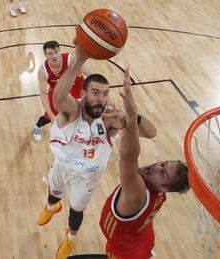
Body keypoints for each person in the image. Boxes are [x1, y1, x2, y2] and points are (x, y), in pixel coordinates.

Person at [36, 40, 157, 259]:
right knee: (53, 195)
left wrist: (133, 114)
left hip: (86, 179)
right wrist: (78, 61)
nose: (101, 98)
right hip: (61, 167)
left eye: (105, 93)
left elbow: (151, 133)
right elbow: (58, 98)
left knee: (76, 211)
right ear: (83, 94)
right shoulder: (72, 110)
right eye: (95, 93)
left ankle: (70, 240)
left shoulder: (110, 121)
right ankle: (51, 207)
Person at [99, 68, 190, 259]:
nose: (157, 166)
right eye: (163, 163)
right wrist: (134, 118)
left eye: (162, 173)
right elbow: (152, 132)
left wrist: (132, 120)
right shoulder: (158, 190)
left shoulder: (137, 193)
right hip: (141, 239)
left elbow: (129, 157)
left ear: (164, 188)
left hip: (126, 254)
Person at [33, 40, 92, 142]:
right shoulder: (43, 71)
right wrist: (52, 116)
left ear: (60, 51)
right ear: (46, 56)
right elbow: (43, 95)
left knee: (85, 110)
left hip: (77, 86)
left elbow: (92, 75)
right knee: (49, 115)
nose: (54, 56)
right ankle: (37, 126)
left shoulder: (71, 59)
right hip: (57, 91)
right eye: (50, 53)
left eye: (56, 52)